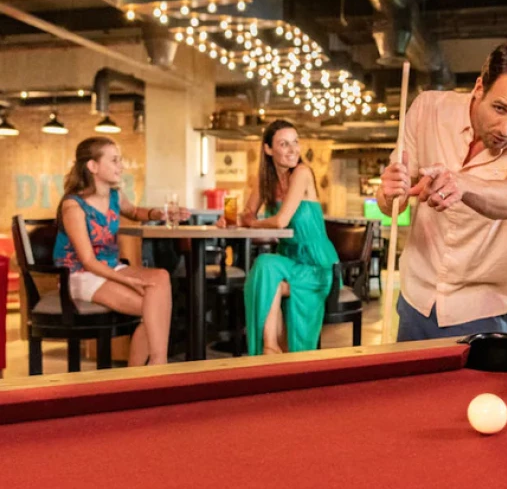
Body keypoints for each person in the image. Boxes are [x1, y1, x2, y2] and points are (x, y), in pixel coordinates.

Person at [378, 38, 507, 341]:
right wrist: (387, 193)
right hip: (416, 296)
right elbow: (394, 202)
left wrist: (462, 184)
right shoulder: (428, 108)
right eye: (500, 108)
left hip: (480, 309)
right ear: (479, 87)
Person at [54, 137, 187, 366]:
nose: (121, 166)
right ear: (92, 166)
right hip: (78, 275)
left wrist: (159, 214)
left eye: (120, 160)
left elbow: (134, 211)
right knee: (155, 308)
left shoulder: (114, 196)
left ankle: (146, 370)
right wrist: (129, 280)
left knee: (161, 277)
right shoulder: (73, 206)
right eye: (114, 160)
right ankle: (154, 368)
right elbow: (87, 261)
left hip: (108, 268)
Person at [219, 120, 338, 355]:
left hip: (317, 265)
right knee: (264, 266)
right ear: (268, 149)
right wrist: (230, 219)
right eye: (284, 144)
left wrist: (249, 222)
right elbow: (247, 213)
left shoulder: (302, 173)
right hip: (288, 261)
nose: (293, 149)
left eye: (295, 142)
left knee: (266, 276)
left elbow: (280, 221)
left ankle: (269, 349)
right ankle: (270, 347)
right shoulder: (266, 182)